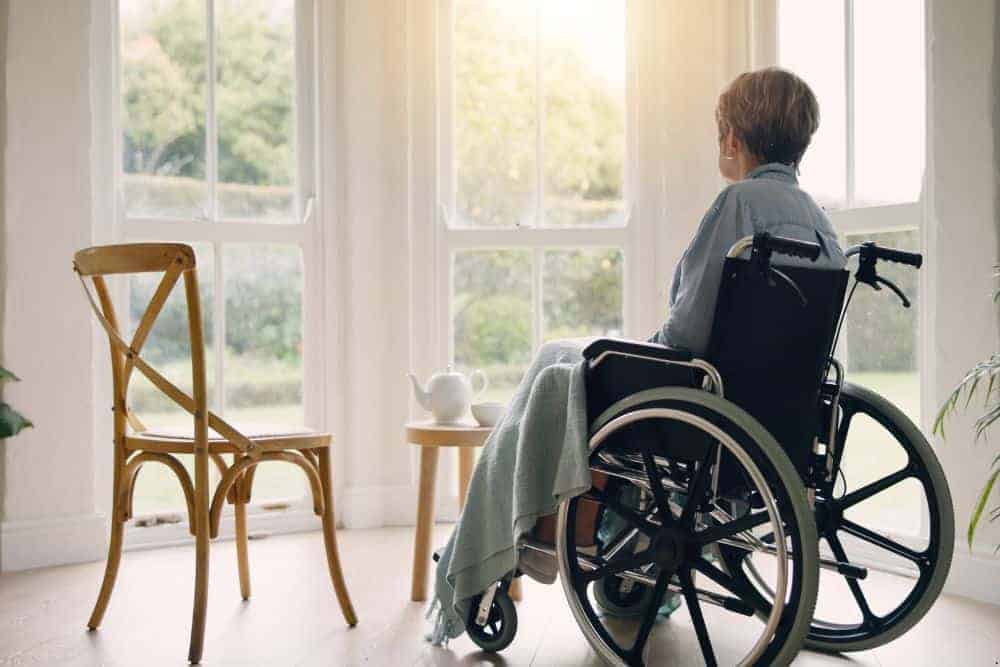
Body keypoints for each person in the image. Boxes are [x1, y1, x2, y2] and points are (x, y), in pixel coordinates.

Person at [428, 67, 846, 646]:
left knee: (560, 358)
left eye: (718, 132)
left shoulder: (739, 203)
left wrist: (653, 342)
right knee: (574, 361)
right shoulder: (821, 224)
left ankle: (520, 532)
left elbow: (690, 328)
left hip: (699, 397)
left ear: (732, 138)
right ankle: (591, 535)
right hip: (772, 408)